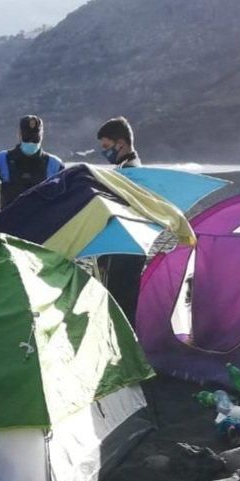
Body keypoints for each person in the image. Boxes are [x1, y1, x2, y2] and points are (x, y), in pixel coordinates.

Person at [96, 116, 144, 326]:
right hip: (131, 248)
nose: (104, 152)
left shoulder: (129, 172)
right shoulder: (132, 167)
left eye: (107, 146)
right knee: (126, 307)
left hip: (120, 250)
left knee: (117, 309)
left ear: (121, 143)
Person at [0, 115, 64, 225]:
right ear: (20, 134)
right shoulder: (3, 159)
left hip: (42, 230)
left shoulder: (55, 164)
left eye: (34, 137)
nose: (31, 141)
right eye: (28, 136)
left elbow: (66, 198)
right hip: (11, 229)